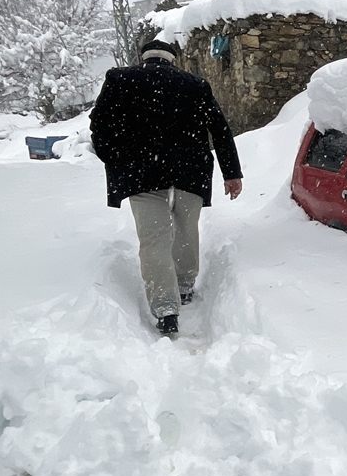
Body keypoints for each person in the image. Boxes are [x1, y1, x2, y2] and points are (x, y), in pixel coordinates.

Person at [90, 40, 243, 337]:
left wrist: (114, 158)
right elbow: (220, 129)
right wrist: (232, 173)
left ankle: (166, 309)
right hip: (190, 170)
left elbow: (100, 125)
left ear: (143, 58)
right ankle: (184, 285)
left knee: (154, 239)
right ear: (173, 60)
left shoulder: (120, 79)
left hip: (141, 173)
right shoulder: (195, 85)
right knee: (186, 228)